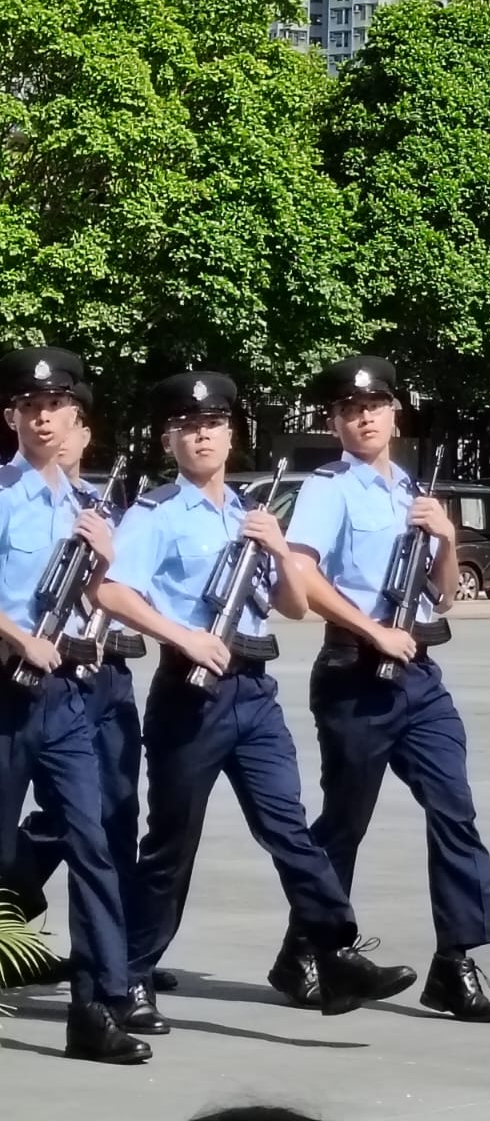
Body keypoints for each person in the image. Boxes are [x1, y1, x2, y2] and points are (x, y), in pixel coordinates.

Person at [94, 371, 417, 1034]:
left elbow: (293, 607)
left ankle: (334, 952)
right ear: (168, 439)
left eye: (213, 424)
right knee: (171, 846)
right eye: (188, 426)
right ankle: (128, 976)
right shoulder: (155, 513)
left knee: (290, 830)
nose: (202, 435)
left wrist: (278, 551)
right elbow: (114, 593)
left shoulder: (251, 511)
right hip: (189, 692)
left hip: (254, 692)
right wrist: (180, 633)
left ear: (232, 433)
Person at [271, 355, 490, 1022]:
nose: (363, 417)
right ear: (334, 422)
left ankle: (456, 962)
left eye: (373, 406)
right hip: (355, 674)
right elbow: (305, 577)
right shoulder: (328, 489)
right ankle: (308, 950)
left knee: (454, 811)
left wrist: (447, 539)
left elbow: (443, 596)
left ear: (395, 411)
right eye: (348, 409)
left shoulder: (411, 490)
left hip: (420, 675)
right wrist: (371, 629)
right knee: (345, 824)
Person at [0, 346, 148, 1063]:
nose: (42, 416)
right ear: (12, 417)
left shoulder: (86, 506)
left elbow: (106, 598)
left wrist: (111, 558)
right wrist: (18, 637)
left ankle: (98, 1006)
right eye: (29, 406)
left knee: (92, 844)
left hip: (64, 700)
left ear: (73, 415)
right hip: (3, 691)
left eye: (54, 405)